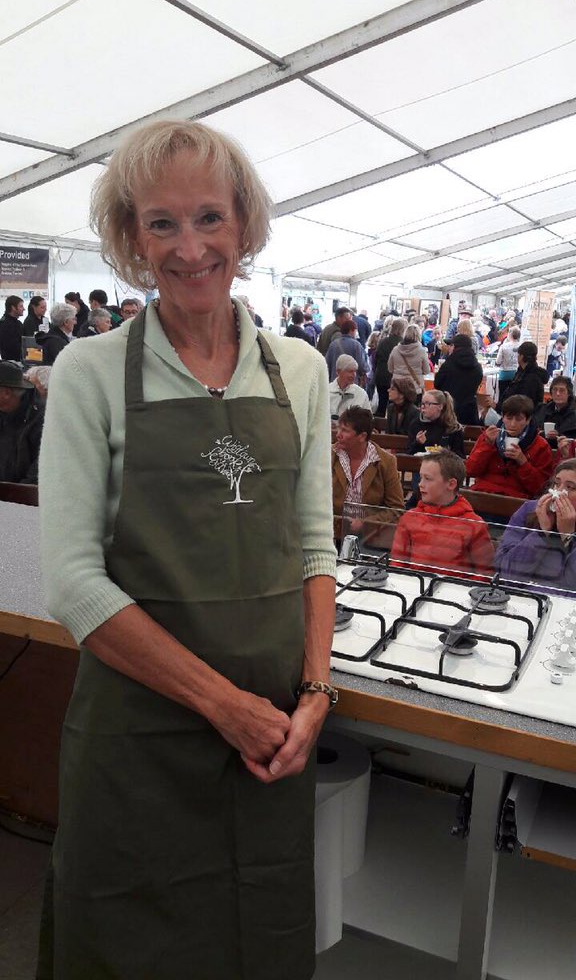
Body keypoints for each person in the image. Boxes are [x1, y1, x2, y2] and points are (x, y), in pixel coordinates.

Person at [37, 119, 336, 980]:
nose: (190, 246)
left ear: (244, 224)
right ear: (131, 239)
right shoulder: (89, 372)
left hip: (270, 744)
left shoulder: (302, 372)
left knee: (257, 944)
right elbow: (75, 585)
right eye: (161, 223)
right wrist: (221, 703)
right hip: (138, 742)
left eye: (210, 217)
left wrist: (314, 693)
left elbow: (316, 550)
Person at [391, 451, 494, 579]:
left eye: (427, 479)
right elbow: (397, 564)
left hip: (454, 593)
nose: (420, 484)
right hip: (414, 589)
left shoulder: (474, 524)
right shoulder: (409, 518)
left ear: (451, 484)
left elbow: (484, 574)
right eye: (420, 477)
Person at [495, 458, 576, 594]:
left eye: (570, 487)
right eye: (557, 484)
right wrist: (541, 533)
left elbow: (571, 586)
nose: (558, 493)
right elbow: (507, 574)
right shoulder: (530, 510)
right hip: (519, 599)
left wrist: (567, 537)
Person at [332, 407, 405, 535]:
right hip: (332, 533)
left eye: (345, 430)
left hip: (371, 536)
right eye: (338, 428)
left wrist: (366, 522)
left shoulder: (386, 462)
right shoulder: (329, 456)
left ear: (362, 436)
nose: (338, 434)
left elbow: (396, 509)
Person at [465, 394, 553, 499]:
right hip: (483, 493)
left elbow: (540, 488)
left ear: (528, 420)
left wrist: (523, 462)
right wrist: (487, 446)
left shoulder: (540, 445)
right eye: (509, 418)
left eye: (519, 419)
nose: (512, 424)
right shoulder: (489, 436)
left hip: (516, 500)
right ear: (502, 417)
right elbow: (470, 470)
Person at [0, 361, 44, 484]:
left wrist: (12, 497)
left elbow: (41, 468)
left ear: (6, 393)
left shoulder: (41, 420)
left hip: (22, 498)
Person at [435, 334, 482, 426]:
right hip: (469, 411)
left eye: (451, 345)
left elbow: (437, 383)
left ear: (455, 347)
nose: (449, 348)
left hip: (449, 409)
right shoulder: (477, 366)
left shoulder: (448, 364)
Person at [407, 389, 465, 456]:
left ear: (440, 406)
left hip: (445, 464)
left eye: (428, 403)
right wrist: (417, 443)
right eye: (422, 403)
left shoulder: (452, 427)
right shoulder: (416, 424)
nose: (423, 407)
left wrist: (446, 453)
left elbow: (460, 456)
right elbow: (409, 454)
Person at [495, 341, 548, 413]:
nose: (517, 356)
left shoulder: (532, 378)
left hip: (519, 417)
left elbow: (522, 403)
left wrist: (497, 407)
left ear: (522, 357)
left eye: (518, 354)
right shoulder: (521, 371)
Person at [373, 316, 406, 414]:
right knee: (394, 406)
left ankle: (378, 426)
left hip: (381, 375)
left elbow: (376, 359)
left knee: (382, 403)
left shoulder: (383, 341)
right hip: (394, 377)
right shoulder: (402, 344)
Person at [386, 323, 430, 398]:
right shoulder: (421, 351)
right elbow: (426, 370)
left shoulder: (396, 350)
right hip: (415, 388)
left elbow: (390, 368)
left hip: (397, 387)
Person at [533, 376, 576, 441]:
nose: (558, 393)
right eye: (555, 389)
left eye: (562, 390)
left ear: (569, 393)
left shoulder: (573, 414)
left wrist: (558, 435)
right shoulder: (542, 409)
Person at [325, 318, 369, 383]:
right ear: (351, 330)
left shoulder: (333, 344)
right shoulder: (356, 345)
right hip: (351, 381)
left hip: (335, 381)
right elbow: (361, 365)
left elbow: (327, 363)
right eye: (355, 330)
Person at [495, 325, 520, 392]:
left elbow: (498, 361)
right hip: (516, 373)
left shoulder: (504, 346)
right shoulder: (521, 346)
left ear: (510, 334)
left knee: (502, 395)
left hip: (504, 374)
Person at [0, 295, 24, 361]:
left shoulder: (18, 323)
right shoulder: (5, 325)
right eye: (21, 306)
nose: (23, 309)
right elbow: (11, 347)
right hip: (11, 364)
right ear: (13, 307)